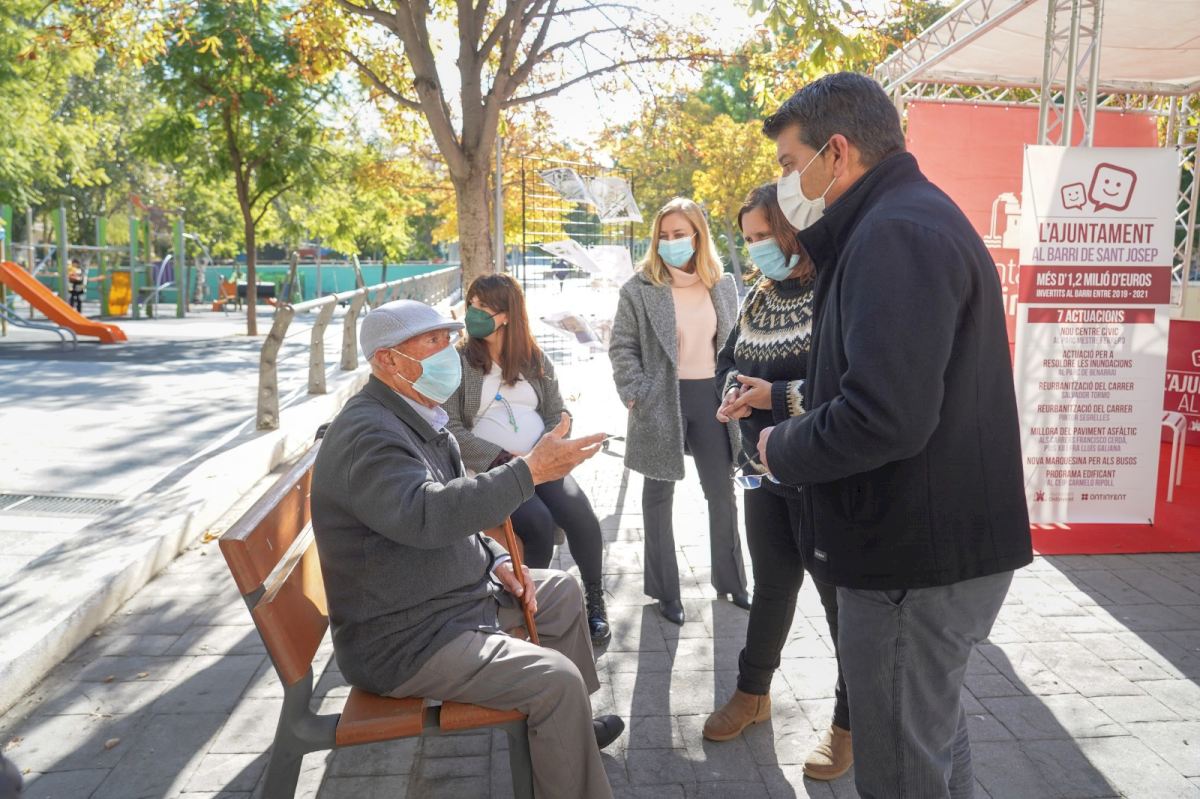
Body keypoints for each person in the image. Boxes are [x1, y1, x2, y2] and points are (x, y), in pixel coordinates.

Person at [756, 72, 1033, 799]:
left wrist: (781, 448)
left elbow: (884, 415)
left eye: (790, 163)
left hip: (912, 559)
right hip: (924, 552)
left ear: (836, 152)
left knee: (904, 771)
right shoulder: (898, 221)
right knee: (929, 741)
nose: (785, 183)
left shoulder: (894, 233)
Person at [310, 299, 624, 799]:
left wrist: (496, 560)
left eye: (446, 338)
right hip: (405, 638)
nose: (448, 352)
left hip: (444, 600)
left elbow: (445, 507)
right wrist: (529, 472)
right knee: (555, 680)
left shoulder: (412, 412)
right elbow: (428, 515)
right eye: (431, 342)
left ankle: (571, 733)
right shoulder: (371, 435)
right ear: (387, 360)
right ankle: (567, 739)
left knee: (561, 592)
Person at [704, 183, 851, 780]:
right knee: (771, 587)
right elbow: (728, 361)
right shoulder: (759, 294)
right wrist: (734, 393)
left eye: (765, 235)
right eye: (749, 239)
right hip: (762, 474)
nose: (756, 248)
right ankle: (752, 693)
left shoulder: (835, 289)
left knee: (839, 605)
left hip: (821, 479)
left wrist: (779, 396)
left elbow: (850, 388)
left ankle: (849, 722)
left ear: (794, 230)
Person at [445, 273, 612, 646]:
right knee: (537, 523)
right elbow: (451, 426)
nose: (473, 313)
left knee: (581, 516)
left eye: (483, 307)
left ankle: (595, 603)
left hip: (542, 461)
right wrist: (503, 456)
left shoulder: (535, 359)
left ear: (507, 315)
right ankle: (531, 609)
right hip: (493, 469)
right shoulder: (459, 362)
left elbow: (558, 412)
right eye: (471, 304)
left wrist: (544, 449)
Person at [609, 197, 749, 625]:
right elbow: (622, 347)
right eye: (664, 235)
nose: (671, 242)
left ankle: (732, 582)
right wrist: (636, 392)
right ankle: (665, 592)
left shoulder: (721, 285)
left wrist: (737, 389)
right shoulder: (639, 289)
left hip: (712, 398)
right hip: (659, 399)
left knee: (721, 493)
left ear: (697, 236)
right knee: (657, 497)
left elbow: (735, 344)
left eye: (679, 234)